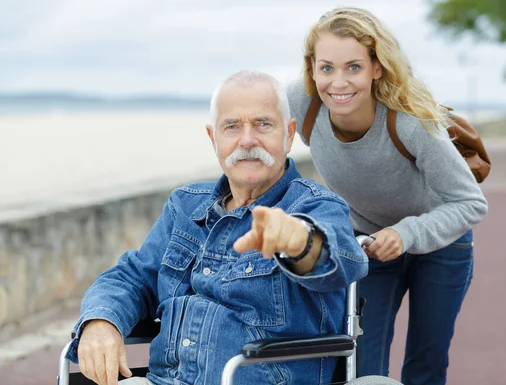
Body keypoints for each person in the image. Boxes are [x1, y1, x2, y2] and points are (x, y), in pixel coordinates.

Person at [66, 70, 369, 385]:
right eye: (232, 126)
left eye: (263, 124)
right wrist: (101, 320)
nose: (247, 139)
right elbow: (133, 278)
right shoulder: (185, 206)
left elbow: (344, 260)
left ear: (289, 135)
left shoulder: (314, 207)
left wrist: (300, 243)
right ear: (214, 138)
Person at [286, 7, 489, 385]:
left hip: (441, 243)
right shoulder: (303, 102)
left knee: (425, 369)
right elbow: (270, 154)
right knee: (360, 367)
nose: (339, 83)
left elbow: (471, 203)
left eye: (354, 67)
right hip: (369, 244)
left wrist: (406, 234)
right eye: (326, 67)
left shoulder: (410, 119)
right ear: (312, 68)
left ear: (376, 68)